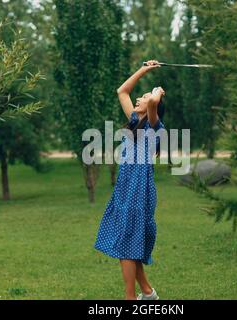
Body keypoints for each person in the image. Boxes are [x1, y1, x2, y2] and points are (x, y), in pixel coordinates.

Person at [94, 60, 166, 300]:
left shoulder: (156, 128)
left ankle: (130, 298)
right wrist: (145, 69)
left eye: (142, 97)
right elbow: (122, 91)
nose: (138, 99)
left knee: (126, 243)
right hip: (125, 189)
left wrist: (156, 91)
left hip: (139, 191)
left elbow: (155, 102)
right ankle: (147, 292)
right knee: (128, 241)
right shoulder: (135, 122)